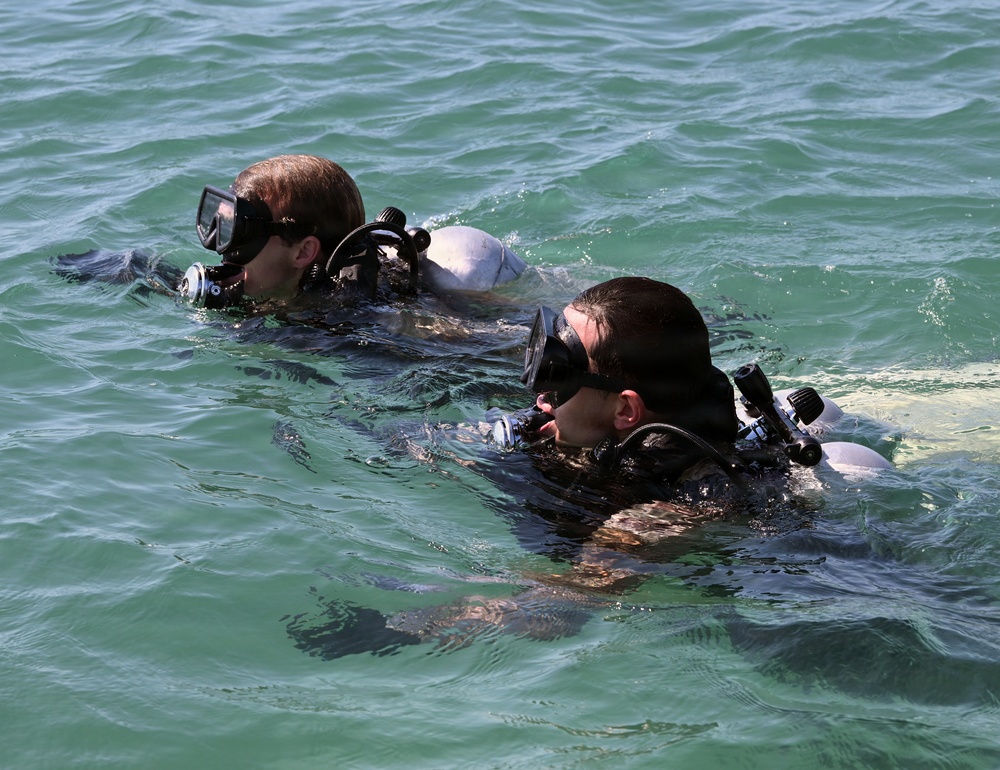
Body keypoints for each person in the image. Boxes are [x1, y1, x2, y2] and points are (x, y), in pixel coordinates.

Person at [180, 153, 526, 310]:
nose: (221, 247)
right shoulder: (269, 280)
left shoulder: (358, 323)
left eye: (240, 232)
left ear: (303, 253)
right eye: (221, 223)